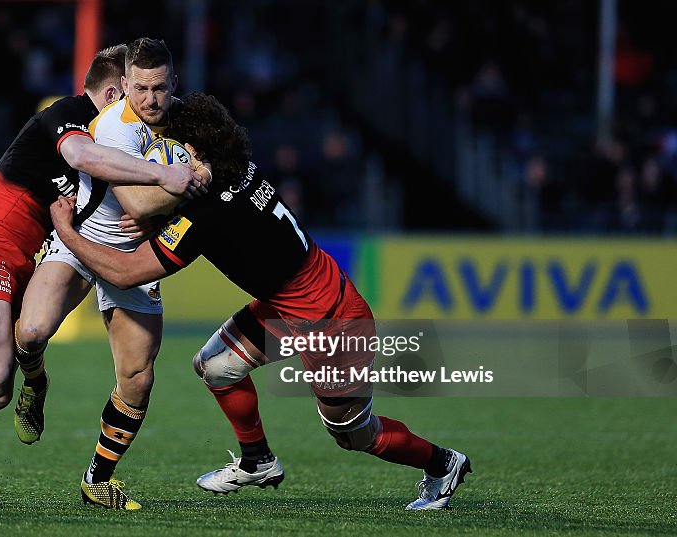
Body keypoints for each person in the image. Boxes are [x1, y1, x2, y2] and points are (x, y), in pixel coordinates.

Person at [48, 92, 472, 511]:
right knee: (216, 367)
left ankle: (442, 463)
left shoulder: (205, 214)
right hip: (293, 303)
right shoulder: (237, 169)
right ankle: (257, 461)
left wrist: (68, 232)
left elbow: (125, 272)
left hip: (332, 322)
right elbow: (192, 204)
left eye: (176, 149)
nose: (167, 158)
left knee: (353, 433)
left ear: (195, 153)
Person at [0, 44, 208, 512]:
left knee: (0, 388)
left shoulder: (152, 128)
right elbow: (85, 157)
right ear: (113, 90)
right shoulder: (67, 115)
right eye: (130, 93)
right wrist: (165, 177)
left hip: (26, 258)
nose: (136, 106)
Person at [11, 37, 195, 510]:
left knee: (138, 378)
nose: (151, 99)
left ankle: (98, 479)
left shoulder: (189, 121)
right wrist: (179, 191)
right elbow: (135, 201)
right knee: (30, 333)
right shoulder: (116, 125)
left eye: (159, 88)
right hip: (83, 242)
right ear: (124, 86)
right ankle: (36, 382)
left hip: (134, 262)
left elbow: (213, 172)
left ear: (173, 83)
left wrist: (169, 208)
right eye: (140, 88)